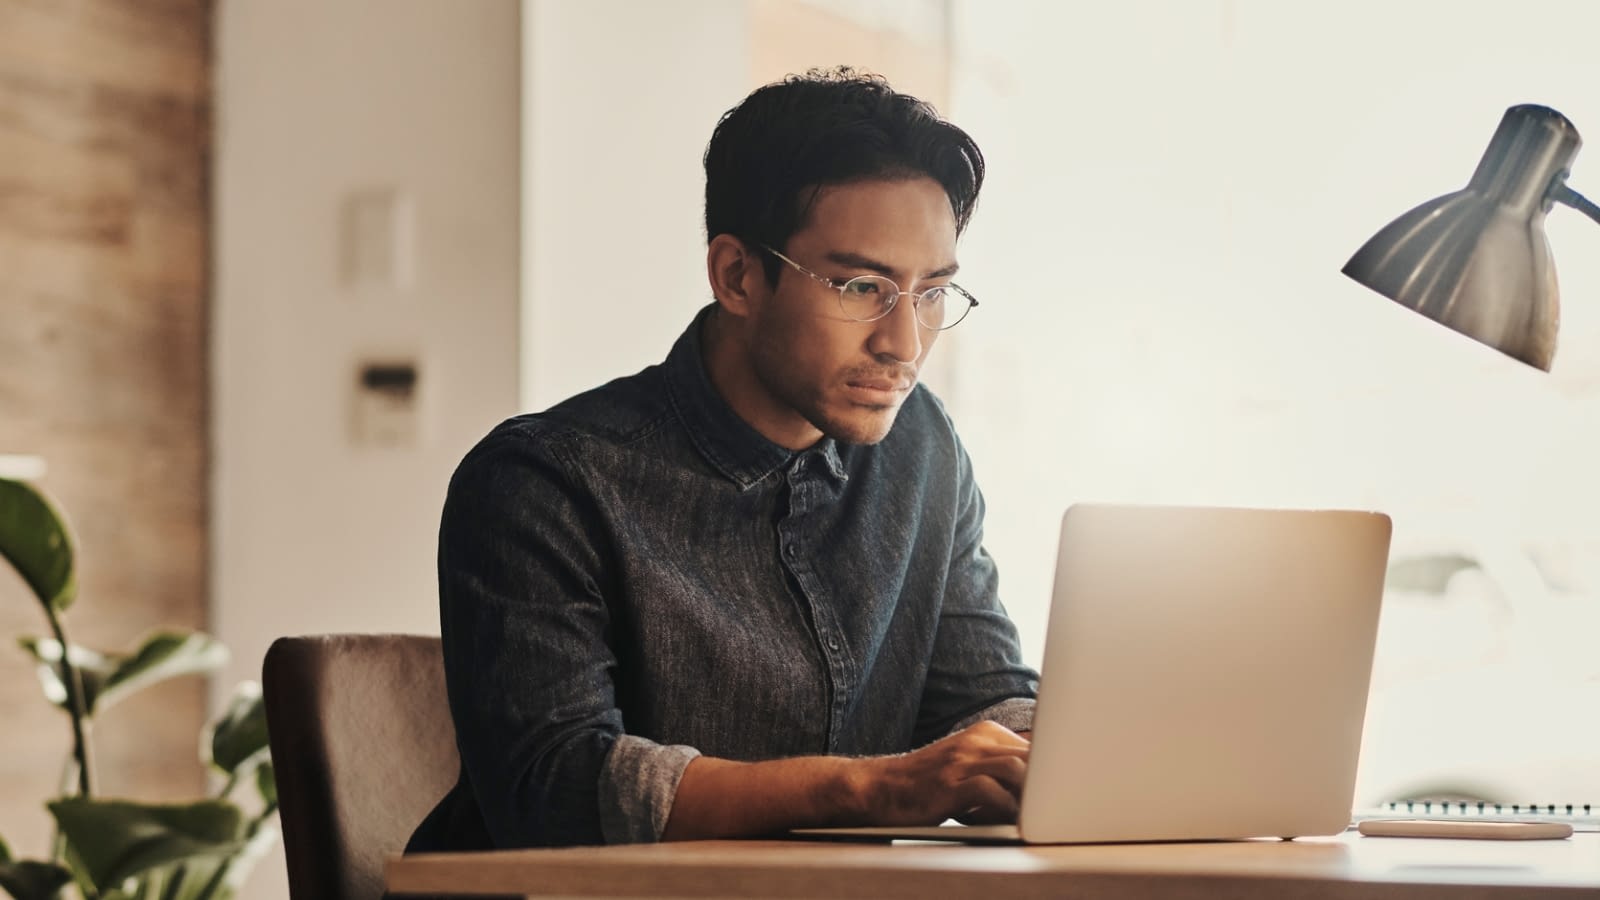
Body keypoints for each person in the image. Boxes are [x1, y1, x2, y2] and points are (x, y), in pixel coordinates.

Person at [407, 67, 1038, 852]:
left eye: (933, 293)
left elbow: (980, 702)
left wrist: (1076, 753)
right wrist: (879, 787)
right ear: (738, 276)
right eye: (860, 285)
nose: (904, 344)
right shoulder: (547, 482)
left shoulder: (923, 450)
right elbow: (559, 786)